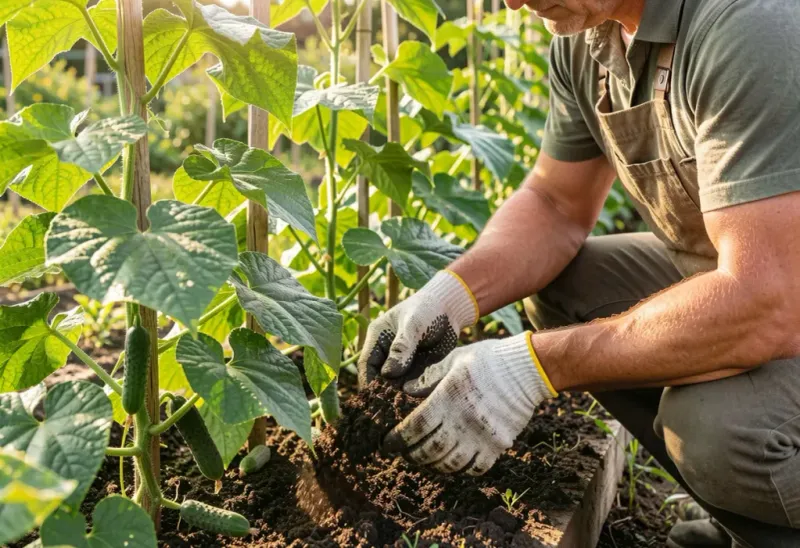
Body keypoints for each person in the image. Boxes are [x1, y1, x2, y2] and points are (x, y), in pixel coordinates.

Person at [357, 0, 800, 546]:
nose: (514, 2)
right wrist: (451, 294)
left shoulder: (749, 26)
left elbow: (766, 299)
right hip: (759, 276)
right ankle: (749, 517)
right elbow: (555, 205)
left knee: (716, 432)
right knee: (570, 288)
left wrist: (535, 365)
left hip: (776, 291)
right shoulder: (591, 35)